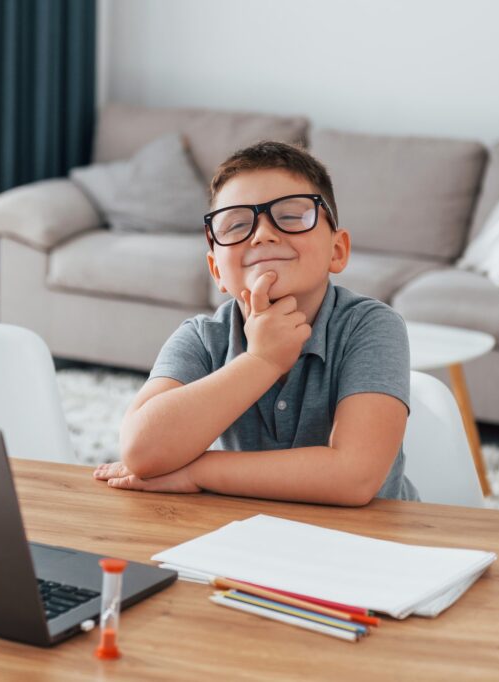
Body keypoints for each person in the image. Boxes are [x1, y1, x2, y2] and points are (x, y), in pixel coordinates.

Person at [93, 141, 418, 505]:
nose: (263, 234)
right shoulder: (201, 339)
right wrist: (260, 361)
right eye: (236, 225)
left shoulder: (372, 326)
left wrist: (198, 472)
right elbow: (140, 451)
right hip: (238, 541)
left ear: (337, 251)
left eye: (292, 217)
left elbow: (355, 477)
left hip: (370, 547)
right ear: (216, 269)